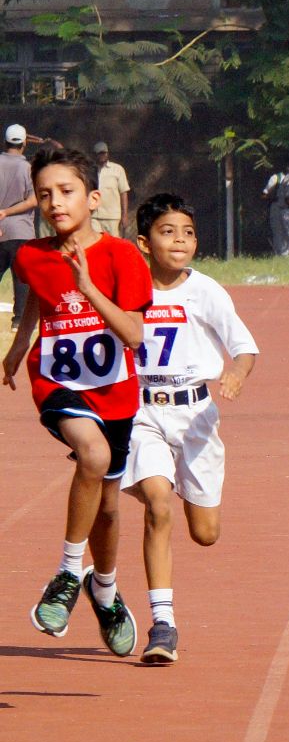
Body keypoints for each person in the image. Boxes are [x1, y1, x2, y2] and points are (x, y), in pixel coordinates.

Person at [3, 147, 153, 657]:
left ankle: (104, 592)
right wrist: (19, 347)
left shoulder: (123, 256)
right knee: (92, 454)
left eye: (65, 192)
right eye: (44, 194)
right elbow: (41, 304)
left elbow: (133, 335)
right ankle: (68, 574)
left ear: (93, 198)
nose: (54, 202)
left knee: (109, 508)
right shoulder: (30, 256)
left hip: (115, 390)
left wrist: (89, 287)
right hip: (57, 382)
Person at [122, 194, 260, 664]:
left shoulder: (206, 291)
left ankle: (170, 480)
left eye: (188, 232)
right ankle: (164, 625)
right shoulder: (127, 288)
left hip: (197, 417)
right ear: (143, 242)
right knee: (158, 505)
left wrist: (237, 374)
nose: (180, 240)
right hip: (144, 413)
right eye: (167, 232)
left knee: (205, 533)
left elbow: (244, 348)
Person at [1, 124, 39, 322]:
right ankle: (18, 320)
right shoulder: (27, 168)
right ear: (24, 143)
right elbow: (33, 201)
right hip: (22, 231)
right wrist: (7, 211)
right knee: (22, 278)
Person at [92, 142, 133, 240]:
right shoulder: (90, 170)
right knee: (96, 243)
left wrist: (124, 215)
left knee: (113, 243)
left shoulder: (117, 170)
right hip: (93, 216)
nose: (102, 156)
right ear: (95, 155)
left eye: (104, 153)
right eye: (100, 153)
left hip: (112, 216)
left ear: (107, 154)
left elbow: (124, 193)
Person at [262, 166, 289, 257]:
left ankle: (288, 258)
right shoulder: (277, 177)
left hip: (287, 208)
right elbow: (265, 195)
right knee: (279, 235)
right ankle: (285, 257)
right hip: (278, 207)